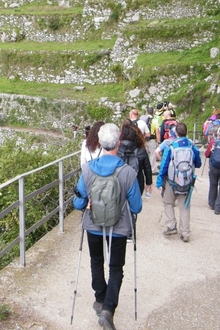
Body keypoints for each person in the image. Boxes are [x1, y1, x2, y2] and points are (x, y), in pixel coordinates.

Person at [73, 123, 142, 330]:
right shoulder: (128, 172)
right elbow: (137, 207)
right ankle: (108, 309)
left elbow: (77, 203)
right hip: (119, 228)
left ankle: (100, 297)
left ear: (99, 143)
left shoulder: (86, 169)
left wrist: (87, 202)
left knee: (96, 261)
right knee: (116, 268)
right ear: (118, 143)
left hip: (93, 225)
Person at [156, 123, 202, 243]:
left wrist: (159, 181)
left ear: (175, 133)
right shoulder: (192, 146)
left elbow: (164, 166)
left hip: (172, 182)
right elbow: (198, 163)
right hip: (187, 182)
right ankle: (185, 233)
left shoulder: (171, 147)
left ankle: (171, 226)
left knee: (167, 203)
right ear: (186, 132)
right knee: (184, 207)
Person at [117, 119, 152, 196]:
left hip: (120, 181)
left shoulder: (117, 149)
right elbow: (147, 167)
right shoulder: (141, 150)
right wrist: (149, 182)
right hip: (137, 181)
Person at [140, 106, 159, 174]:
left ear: (146, 112)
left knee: (143, 155)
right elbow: (157, 132)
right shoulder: (155, 121)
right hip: (152, 140)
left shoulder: (141, 120)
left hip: (143, 140)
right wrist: (158, 141)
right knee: (152, 155)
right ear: (153, 113)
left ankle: (143, 169)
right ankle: (152, 170)